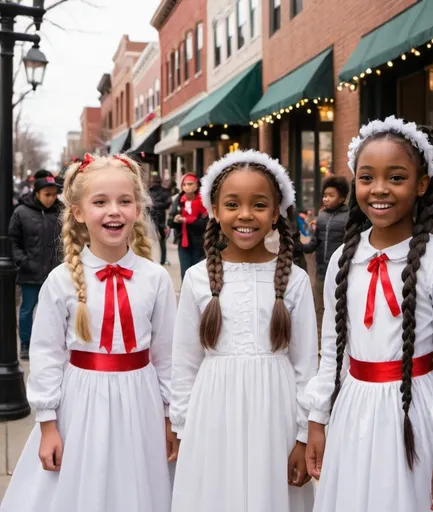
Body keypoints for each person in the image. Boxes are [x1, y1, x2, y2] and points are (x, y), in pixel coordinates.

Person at [305, 117, 433, 512]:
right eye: (367, 177)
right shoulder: (345, 259)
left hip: (416, 416)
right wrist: (316, 418)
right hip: (353, 413)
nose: (379, 189)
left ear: (421, 184)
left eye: (395, 177)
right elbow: (331, 349)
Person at [0, 154, 178, 512]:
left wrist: (170, 416)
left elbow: (167, 354)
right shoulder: (61, 280)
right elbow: (47, 354)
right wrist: (48, 424)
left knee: (135, 486)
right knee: (86, 485)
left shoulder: (155, 278)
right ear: (79, 211)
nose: (114, 211)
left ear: (138, 209)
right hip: (81, 403)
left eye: (125, 201)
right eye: (100, 202)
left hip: (140, 401)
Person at [170, 150, 318, 512]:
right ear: (215, 210)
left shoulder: (295, 281)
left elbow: (306, 367)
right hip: (212, 412)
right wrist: (184, 427)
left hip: (276, 415)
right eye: (233, 204)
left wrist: (302, 435)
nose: (246, 215)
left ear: (275, 214)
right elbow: (184, 362)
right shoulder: (196, 278)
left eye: (259, 204)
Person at [9, 170, 64, 360]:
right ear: (37, 192)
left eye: (54, 194)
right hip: (29, 273)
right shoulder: (21, 212)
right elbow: (12, 241)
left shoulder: (62, 211)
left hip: (56, 273)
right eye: (47, 194)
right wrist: (23, 261)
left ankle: (51, 344)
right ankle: (25, 343)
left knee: (53, 312)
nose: (51, 198)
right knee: (27, 310)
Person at [301, 176, 349, 345]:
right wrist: (298, 246)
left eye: (331, 195)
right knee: (320, 309)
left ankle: (343, 343)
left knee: (341, 308)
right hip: (322, 273)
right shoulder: (321, 217)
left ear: (342, 198)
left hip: (343, 273)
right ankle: (321, 344)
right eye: (324, 195)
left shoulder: (349, 217)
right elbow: (314, 243)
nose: (325, 199)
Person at [168, 173, 207, 280]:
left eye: (190, 184)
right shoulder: (179, 200)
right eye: (184, 185)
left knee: (198, 272)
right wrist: (175, 220)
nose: (187, 187)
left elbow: (205, 223)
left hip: (199, 242)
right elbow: (170, 222)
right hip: (183, 242)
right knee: (185, 273)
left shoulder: (203, 200)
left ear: (197, 185)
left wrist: (187, 220)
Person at [149, 172, 172, 265]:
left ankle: (162, 258)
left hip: (161, 218)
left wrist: (154, 205)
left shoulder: (164, 191)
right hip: (150, 217)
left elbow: (168, 202)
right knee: (151, 239)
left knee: (162, 239)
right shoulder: (148, 191)